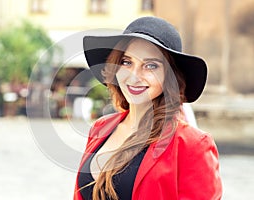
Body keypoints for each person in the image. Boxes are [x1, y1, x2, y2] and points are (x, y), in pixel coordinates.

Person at [74, 16, 222, 200]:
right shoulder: (100, 128)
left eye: (151, 66)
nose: (134, 76)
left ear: (170, 77)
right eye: (127, 62)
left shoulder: (192, 144)